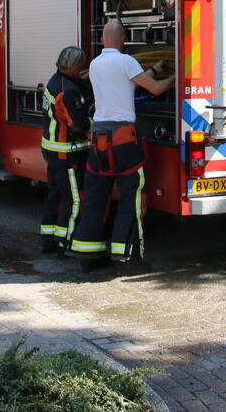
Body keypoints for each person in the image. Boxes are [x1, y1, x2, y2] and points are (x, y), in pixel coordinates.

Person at [68, 20, 174, 272]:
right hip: (124, 140)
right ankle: (126, 256)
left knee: (95, 197)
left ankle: (87, 255)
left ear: (103, 39)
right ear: (124, 38)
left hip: (99, 141)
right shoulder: (126, 61)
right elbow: (156, 89)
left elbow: (129, 81)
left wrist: (155, 68)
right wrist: (174, 75)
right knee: (131, 199)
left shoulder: (95, 64)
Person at [40, 46, 93, 255]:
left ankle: (49, 242)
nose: (82, 69)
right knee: (74, 200)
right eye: (80, 66)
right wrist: (94, 121)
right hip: (67, 155)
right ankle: (67, 243)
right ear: (71, 66)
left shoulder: (54, 82)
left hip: (53, 152)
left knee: (54, 197)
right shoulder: (68, 90)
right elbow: (78, 125)